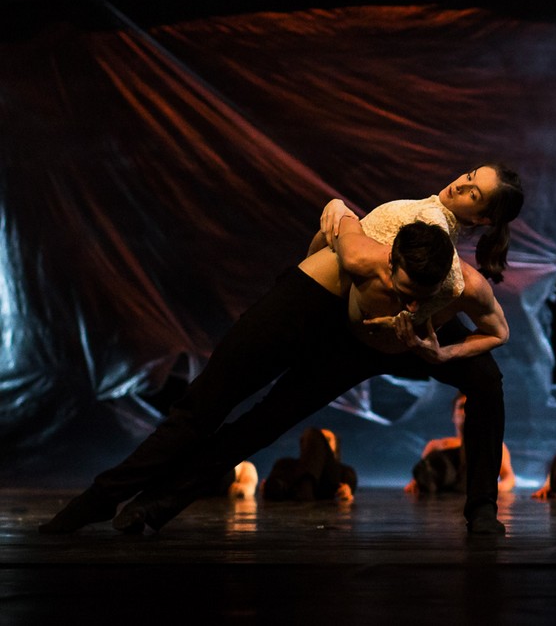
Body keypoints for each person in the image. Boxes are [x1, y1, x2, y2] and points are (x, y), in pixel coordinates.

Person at [39, 163, 523, 536]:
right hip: (312, 306)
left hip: (371, 342)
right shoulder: (396, 235)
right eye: (467, 176)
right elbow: (345, 247)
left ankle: (482, 508)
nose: (460, 184)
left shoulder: (460, 281)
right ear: (392, 262)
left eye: (474, 192)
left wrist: (442, 354)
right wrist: (339, 211)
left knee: (485, 379)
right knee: (206, 407)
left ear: (483, 218)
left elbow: (495, 329)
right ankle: (106, 498)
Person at [404, 391, 516, 495]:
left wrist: (494, 489)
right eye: (462, 407)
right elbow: (418, 480)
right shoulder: (436, 446)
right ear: (453, 416)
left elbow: (509, 478)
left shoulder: (494, 446)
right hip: (441, 504)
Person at [262, 427, 356, 502]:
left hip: (327, 483)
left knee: (312, 433)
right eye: (314, 443)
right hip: (298, 491)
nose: (320, 446)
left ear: (336, 446)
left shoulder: (345, 470)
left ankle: (304, 488)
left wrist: (347, 491)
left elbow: (349, 486)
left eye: (325, 441)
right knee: (283, 464)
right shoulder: (286, 463)